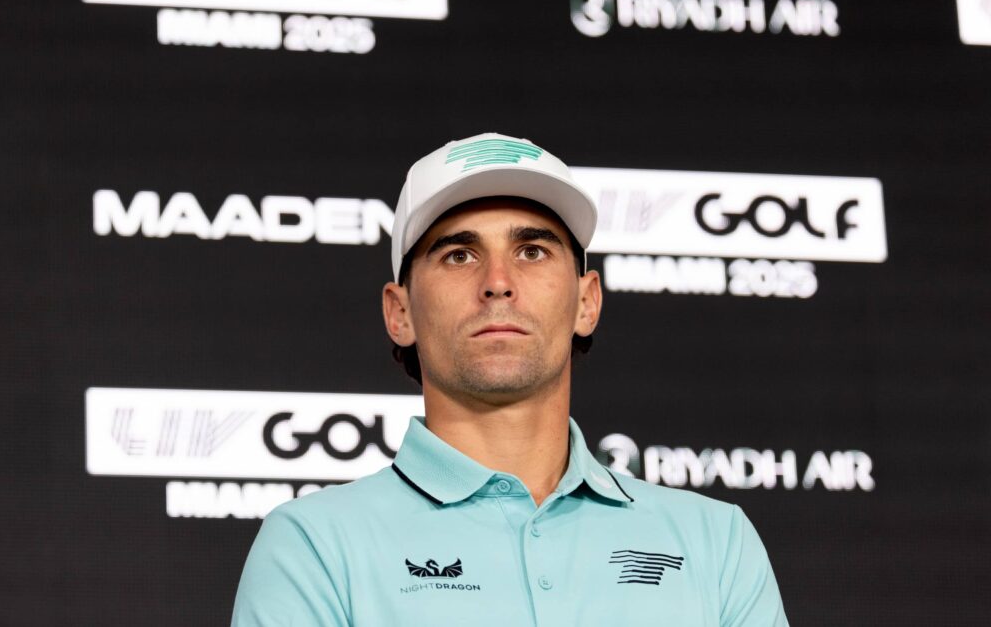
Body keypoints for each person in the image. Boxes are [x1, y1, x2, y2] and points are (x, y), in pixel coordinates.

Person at [231, 133, 789, 626]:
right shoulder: (313, 548)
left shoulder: (716, 543)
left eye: (532, 250)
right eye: (457, 255)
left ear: (587, 302)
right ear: (399, 313)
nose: (498, 281)